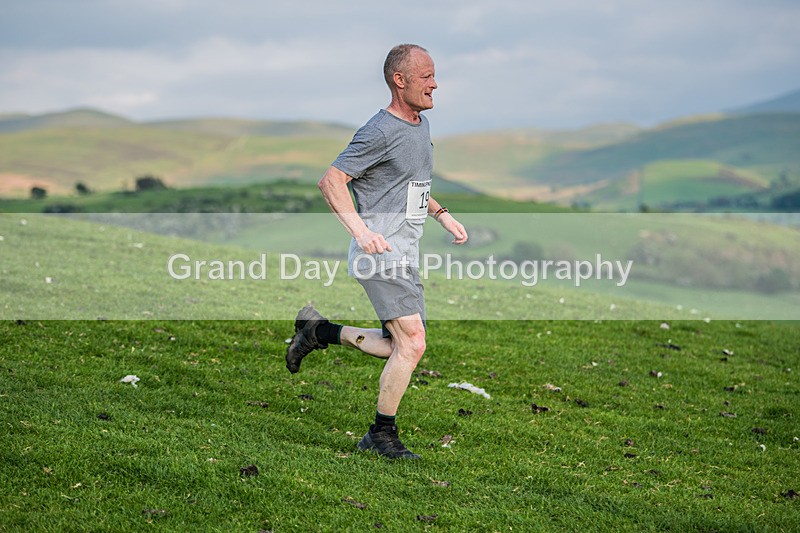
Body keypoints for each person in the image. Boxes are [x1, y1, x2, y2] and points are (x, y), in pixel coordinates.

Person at [285, 43, 468, 460]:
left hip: (405, 251)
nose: (434, 83)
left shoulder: (419, 125)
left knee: (395, 345)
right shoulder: (379, 131)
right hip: (380, 253)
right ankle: (381, 435)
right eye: (425, 77)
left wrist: (442, 214)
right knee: (414, 344)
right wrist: (361, 231)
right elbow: (331, 181)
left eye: (434, 75)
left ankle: (317, 331)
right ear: (399, 81)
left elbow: (410, 183)